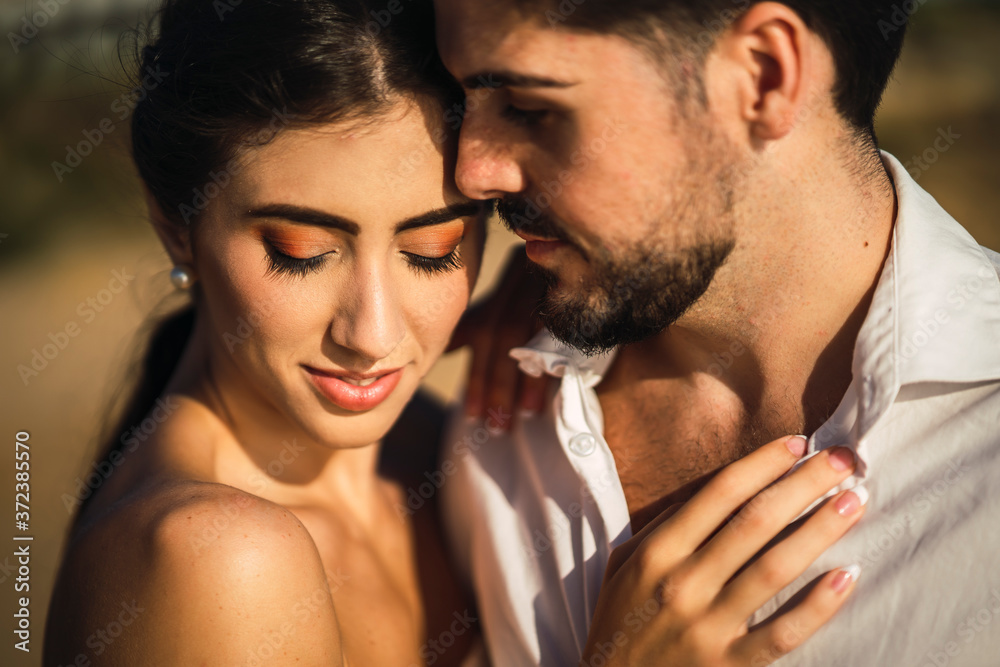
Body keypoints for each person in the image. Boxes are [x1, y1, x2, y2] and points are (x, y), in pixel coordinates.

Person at [41, 1, 867, 666]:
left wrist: (562, 290)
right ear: (175, 223)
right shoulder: (216, 561)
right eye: (300, 252)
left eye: (433, 250)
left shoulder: (440, 451)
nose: (373, 332)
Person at [434, 1, 1000, 665]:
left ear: (763, 75)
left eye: (529, 107)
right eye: (460, 99)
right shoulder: (500, 411)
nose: (472, 172)